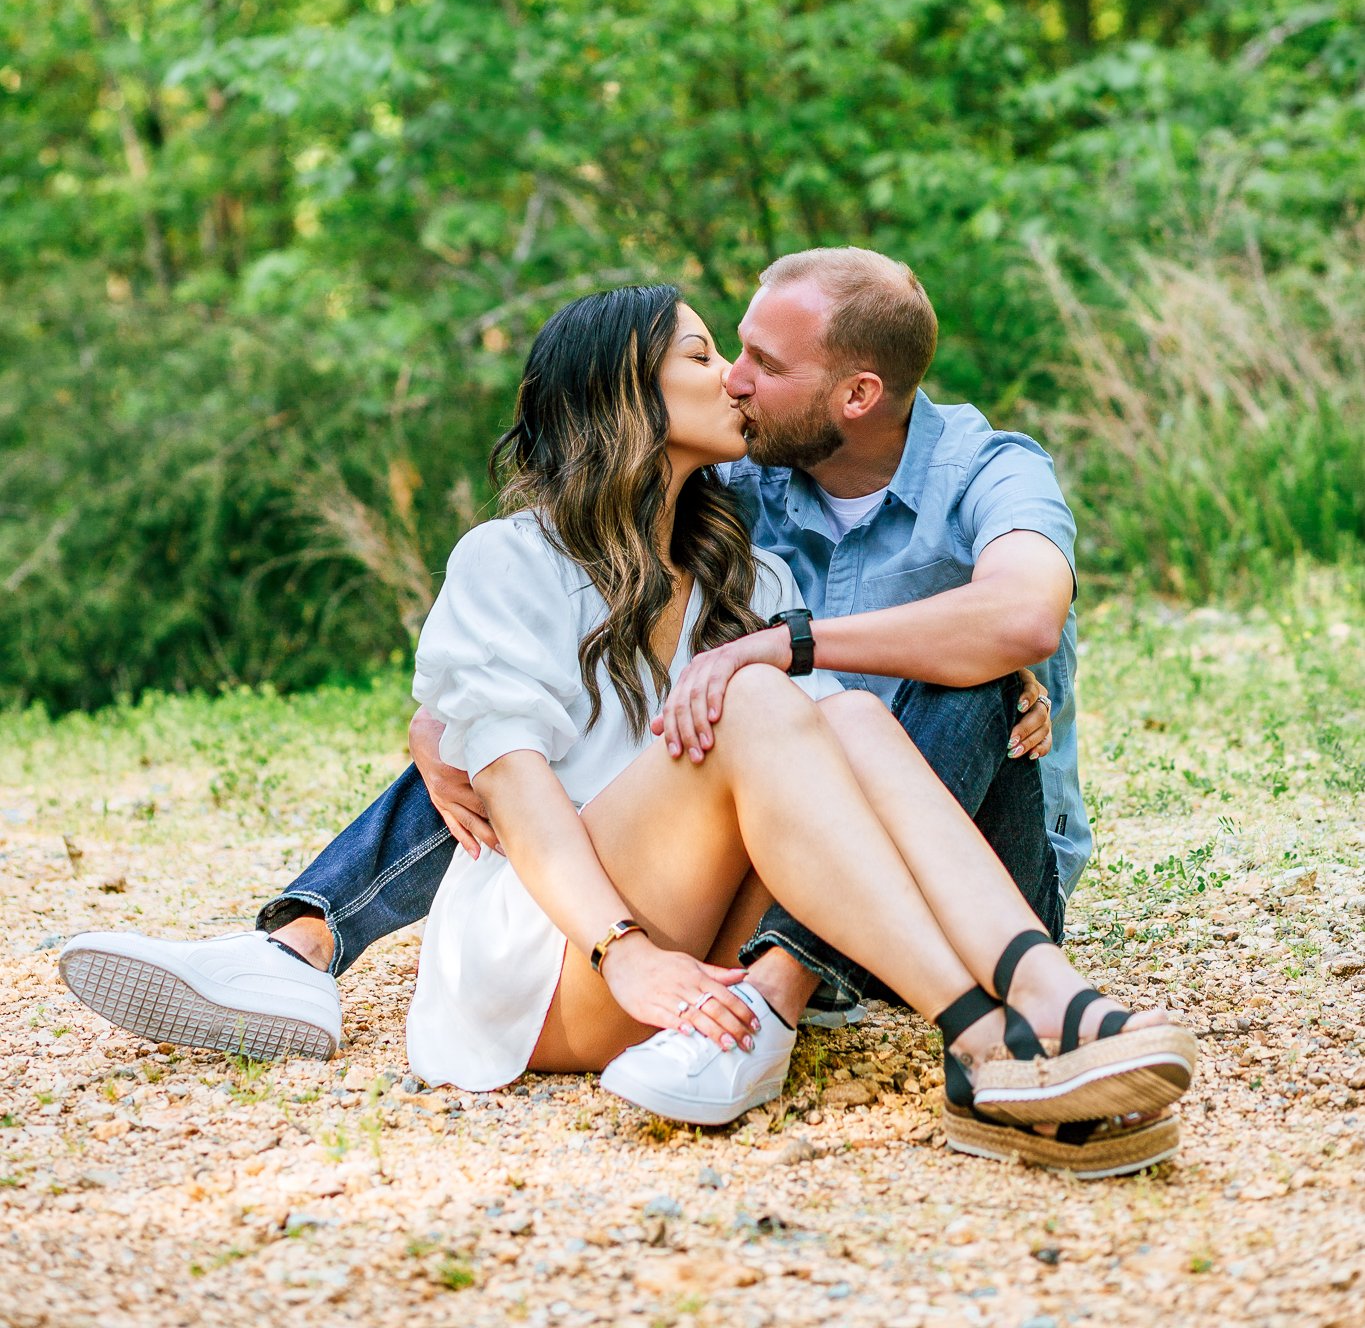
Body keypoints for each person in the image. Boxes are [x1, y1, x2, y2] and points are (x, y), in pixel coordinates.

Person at [61, 280, 1196, 1172]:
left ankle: (1043, 998)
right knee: (767, 689)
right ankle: (986, 1031)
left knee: (837, 709)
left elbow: (856, 740)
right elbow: (521, 794)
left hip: (702, 922)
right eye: (706, 355)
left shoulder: (742, 561)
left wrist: (990, 689)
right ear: (629, 398)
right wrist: (627, 948)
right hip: (557, 958)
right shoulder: (509, 558)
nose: (737, 379)